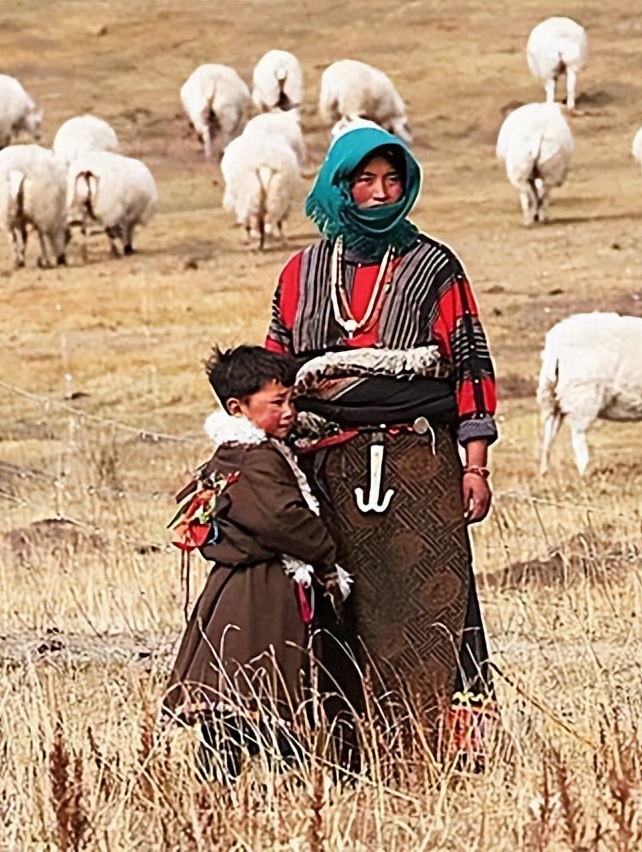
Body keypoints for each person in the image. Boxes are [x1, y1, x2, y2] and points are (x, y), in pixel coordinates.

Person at [264, 125, 497, 761]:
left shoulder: (434, 266)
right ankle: (343, 751)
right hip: (325, 467)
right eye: (365, 180)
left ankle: (440, 749)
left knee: (429, 602)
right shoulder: (300, 273)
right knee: (339, 605)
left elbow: (470, 363)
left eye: (392, 180)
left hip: (418, 464)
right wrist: (261, 455)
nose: (380, 192)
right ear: (340, 185)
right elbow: (275, 371)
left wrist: (474, 464)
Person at [162, 345, 356, 781]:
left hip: (234, 595)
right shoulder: (257, 457)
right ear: (238, 408)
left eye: (291, 400)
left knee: (229, 714)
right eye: (277, 403)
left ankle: (219, 801)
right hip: (260, 599)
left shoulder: (235, 455)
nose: (289, 411)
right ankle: (301, 791)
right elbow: (283, 520)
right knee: (258, 705)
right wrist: (326, 550)